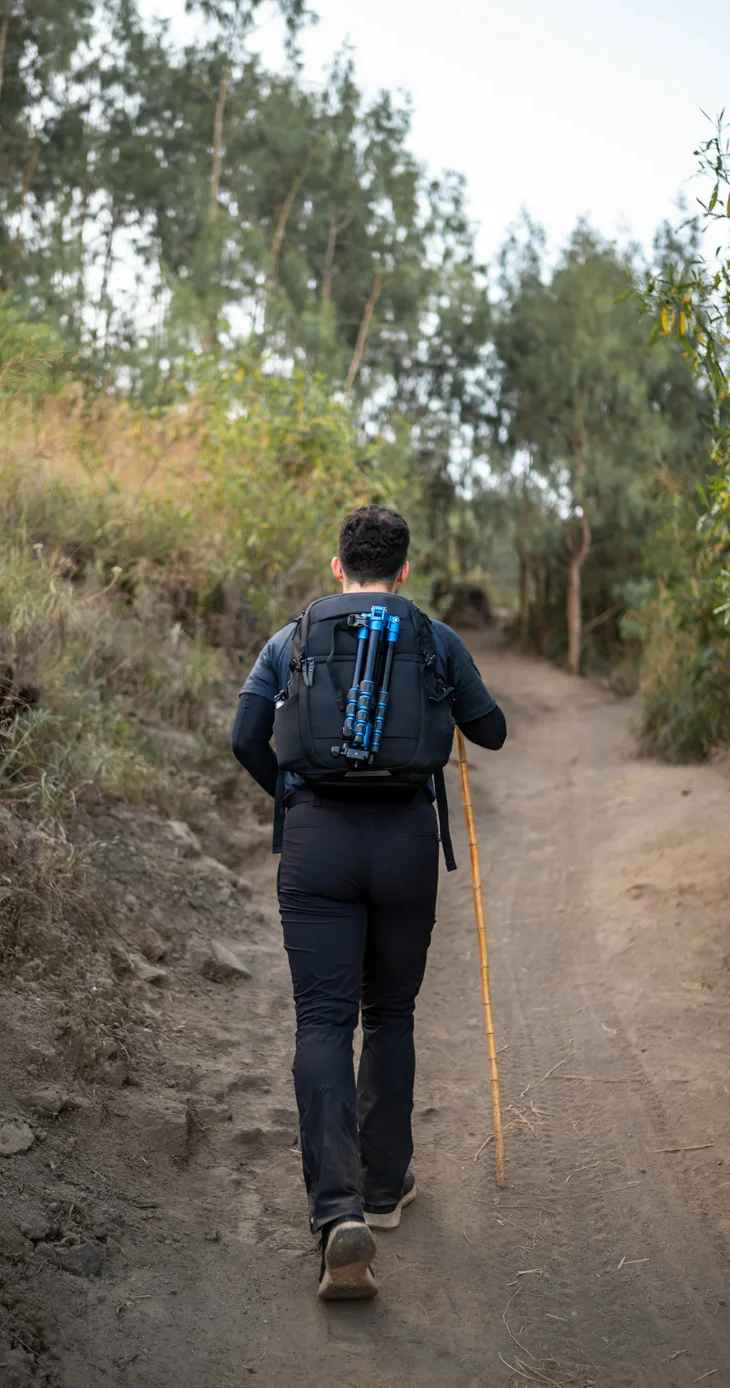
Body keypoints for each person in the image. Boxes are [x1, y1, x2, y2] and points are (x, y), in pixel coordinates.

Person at [231, 505, 506, 1300]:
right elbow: (490, 732)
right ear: (404, 570)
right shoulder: (433, 636)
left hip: (317, 840)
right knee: (390, 1014)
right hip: (405, 846)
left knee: (323, 1022)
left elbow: (246, 736)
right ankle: (384, 1189)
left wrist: (293, 796)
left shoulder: (292, 638)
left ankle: (337, 1214)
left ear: (337, 566)